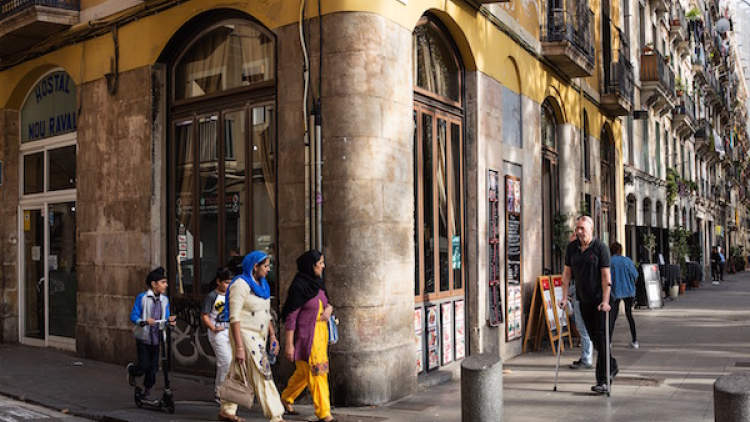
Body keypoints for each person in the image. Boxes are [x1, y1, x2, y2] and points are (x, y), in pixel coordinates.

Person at [219, 251, 286, 422]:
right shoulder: (240, 285)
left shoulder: (263, 286)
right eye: (265, 266)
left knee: (238, 372)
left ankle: (227, 409)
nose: (268, 269)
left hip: (260, 335)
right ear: (255, 267)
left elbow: (266, 313)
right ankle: (275, 414)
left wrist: (273, 336)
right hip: (244, 334)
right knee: (262, 371)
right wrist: (239, 347)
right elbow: (234, 317)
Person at [560, 216, 617, 395]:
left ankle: (603, 381)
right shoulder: (572, 248)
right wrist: (564, 297)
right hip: (584, 301)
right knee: (596, 340)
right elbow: (567, 275)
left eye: (582, 228)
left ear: (591, 229)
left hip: (603, 302)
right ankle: (612, 365)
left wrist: (606, 301)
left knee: (602, 339)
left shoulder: (600, 248)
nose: (579, 231)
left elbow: (606, 277)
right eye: (577, 228)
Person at [280, 250, 335, 422]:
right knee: (318, 372)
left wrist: (329, 309)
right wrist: (289, 344)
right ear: (311, 265)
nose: (323, 266)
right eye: (320, 263)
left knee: (304, 373)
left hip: (321, 335)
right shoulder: (299, 286)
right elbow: (291, 316)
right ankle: (324, 413)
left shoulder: (318, 282)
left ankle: (286, 398)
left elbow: (328, 303)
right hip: (306, 337)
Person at [126, 267, 177, 400]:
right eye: (163, 282)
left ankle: (147, 391)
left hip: (157, 337)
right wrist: (142, 321)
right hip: (143, 337)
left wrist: (169, 321)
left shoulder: (164, 300)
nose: (166, 285)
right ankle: (132, 370)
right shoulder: (142, 298)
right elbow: (134, 315)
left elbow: (165, 316)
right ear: (154, 284)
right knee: (144, 365)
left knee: (153, 368)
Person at [202, 267, 233, 404]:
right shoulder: (212, 296)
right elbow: (205, 316)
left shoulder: (232, 294)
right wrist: (213, 328)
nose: (228, 285)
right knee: (226, 362)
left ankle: (219, 391)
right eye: (226, 282)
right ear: (218, 281)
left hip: (230, 331)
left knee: (225, 363)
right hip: (218, 333)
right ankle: (222, 393)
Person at [567, 234, 593, 370]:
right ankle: (585, 356)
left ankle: (586, 358)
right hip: (579, 295)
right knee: (583, 328)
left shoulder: (584, 257)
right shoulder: (576, 256)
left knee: (583, 329)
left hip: (582, 297)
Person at [609, 242, 639, 349]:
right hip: (629, 291)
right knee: (629, 315)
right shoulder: (628, 261)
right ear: (620, 250)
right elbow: (635, 275)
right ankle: (635, 340)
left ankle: (609, 341)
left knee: (612, 316)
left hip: (615, 291)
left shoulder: (610, 262)